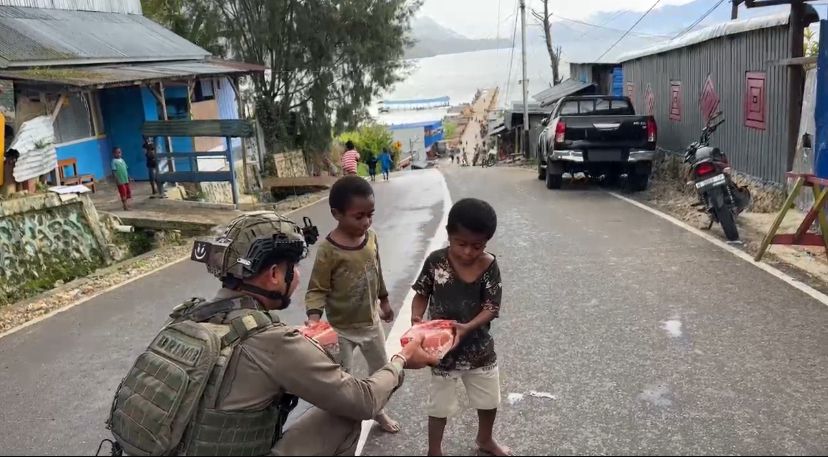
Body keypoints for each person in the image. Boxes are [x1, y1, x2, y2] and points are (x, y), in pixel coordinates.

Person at [104, 212, 439, 457]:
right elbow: (363, 400)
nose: (297, 279)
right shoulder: (271, 340)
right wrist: (400, 360)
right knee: (345, 416)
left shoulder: (187, 316)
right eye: (294, 271)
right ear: (275, 274)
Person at [411, 198, 510, 456]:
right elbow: (421, 293)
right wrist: (416, 321)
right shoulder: (436, 261)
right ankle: (434, 450)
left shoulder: (489, 266)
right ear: (449, 235)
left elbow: (492, 307)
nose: (468, 252)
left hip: (478, 348)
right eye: (461, 243)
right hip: (441, 350)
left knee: (489, 400)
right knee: (438, 407)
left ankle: (485, 439)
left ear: (486, 241)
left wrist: (467, 327)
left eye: (477, 246)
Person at [305, 176, 400, 434]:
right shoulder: (328, 250)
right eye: (358, 216)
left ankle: (378, 411)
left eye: (370, 214)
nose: (366, 221)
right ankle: (343, 425)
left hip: (371, 322)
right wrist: (314, 320)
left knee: (382, 373)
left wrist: (384, 300)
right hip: (340, 328)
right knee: (341, 380)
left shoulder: (371, 238)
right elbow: (317, 288)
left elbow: (377, 271)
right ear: (337, 214)